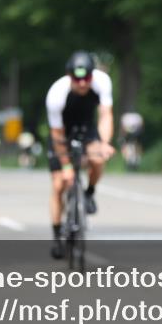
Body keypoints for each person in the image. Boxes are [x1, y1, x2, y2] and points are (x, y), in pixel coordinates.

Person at [46, 51, 116, 259]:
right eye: (78, 79)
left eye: (87, 78)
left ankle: (89, 192)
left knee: (98, 158)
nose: (83, 83)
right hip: (62, 133)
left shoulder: (102, 82)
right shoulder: (56, 94)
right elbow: (57, 134)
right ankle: (57, 237)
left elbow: (105, 115)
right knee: (59, 184)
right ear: (69, 76)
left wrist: (104, 144)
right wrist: (67, 166)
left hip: (87, 128)